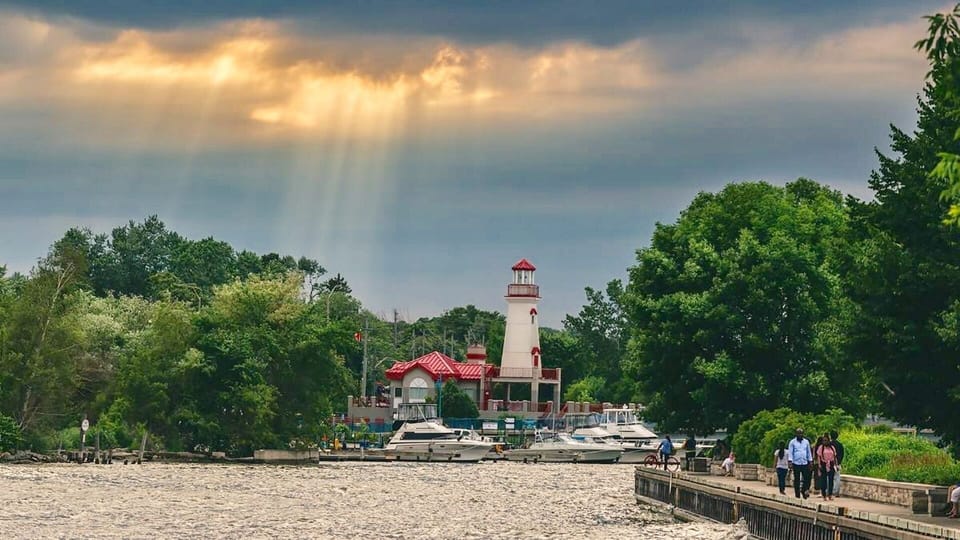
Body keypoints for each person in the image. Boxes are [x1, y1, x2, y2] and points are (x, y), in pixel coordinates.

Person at [787, 427, 813, 499]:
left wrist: (810, 461)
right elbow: (790, 453)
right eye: (798, 433)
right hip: (796, 463)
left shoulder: (806, 442)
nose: (800, 435)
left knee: (806, 478)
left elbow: (808, 452)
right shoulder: (792, 442)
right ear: (796, 434)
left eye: (801, 433)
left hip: (804, 462)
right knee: (797, 479)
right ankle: (797, 494)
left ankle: (804, 490)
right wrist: (790, 462)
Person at [816, 433, 838, 501]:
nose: (825, 442)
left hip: (831, 464)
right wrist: (819, 465)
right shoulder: (821, 448)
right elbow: (819, 457)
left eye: (826, 440)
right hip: (823, 464)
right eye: (824, 441)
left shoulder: (832, 448)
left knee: (831, 480)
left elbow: (835, 457)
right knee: (823, 481)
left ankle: (830, 494)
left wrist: (836, 465)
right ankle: (824, 494)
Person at [830, 430, 844, 497]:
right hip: (837, 463)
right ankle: (836, 492)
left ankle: (831, 491)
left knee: (830, 477)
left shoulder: (829, 444)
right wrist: (839, 462)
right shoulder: (840, 444)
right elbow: (842, 454)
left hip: (830, 463)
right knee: (837, 477)